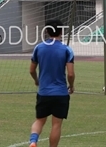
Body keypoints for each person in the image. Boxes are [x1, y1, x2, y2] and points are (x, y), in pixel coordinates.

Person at [28, 19, 75, 147]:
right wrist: (71, 86)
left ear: (47, 31)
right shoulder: (66, 50)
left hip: (44, 92)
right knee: (56, 124)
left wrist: (37, 81)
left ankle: (33, 141)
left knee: (39, 120)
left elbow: (31, 70)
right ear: (61, 31)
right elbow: (70, 74)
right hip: (60, 93)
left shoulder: (39, 47)